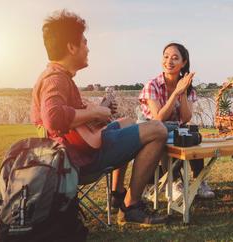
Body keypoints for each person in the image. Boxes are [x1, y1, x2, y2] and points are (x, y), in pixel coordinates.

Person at [31, 10, 168, 226]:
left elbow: (73, 126)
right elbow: (54, 118)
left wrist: (101, 110)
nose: (87, 48)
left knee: (127, 123)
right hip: (78, 161)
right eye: (84, 42)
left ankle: (117, 194)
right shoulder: (55, 79)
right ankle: (130, 207)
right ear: (71, 47)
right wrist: (96, 112)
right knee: (158, 129)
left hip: (75, 153)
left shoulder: (57, 76)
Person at [138, 43, 215, 199]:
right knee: (166, 134)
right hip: (150, 128)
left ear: (183, 62)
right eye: (166, 57)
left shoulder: (186, 86)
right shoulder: (152, 85)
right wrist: (175, 94)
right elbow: (159, 118)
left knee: (192, 133)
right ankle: (174, 182)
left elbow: (186, 118)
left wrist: (183, 91)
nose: (169, 61)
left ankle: (199, 181)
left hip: (173, 128)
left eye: (174, 58)